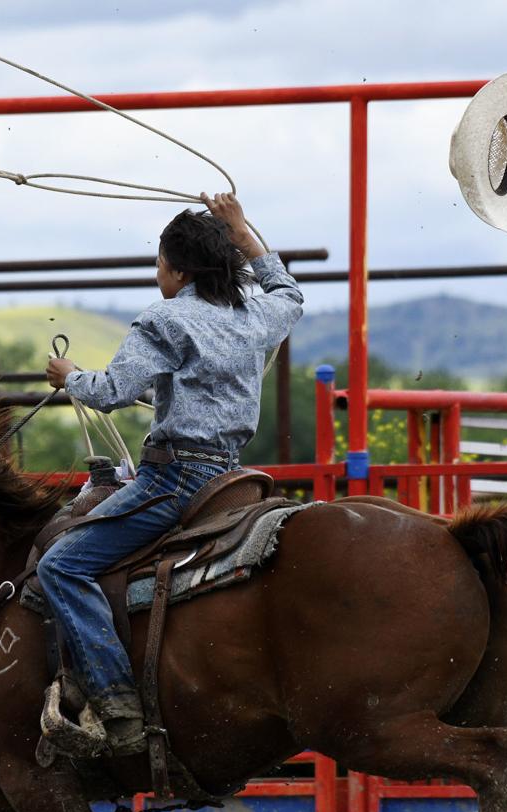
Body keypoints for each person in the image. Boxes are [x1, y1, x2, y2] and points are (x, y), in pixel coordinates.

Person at [38, 192, 304, 756]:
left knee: (61, 565)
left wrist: (69, 376)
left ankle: (116, 702)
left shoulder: (165, 320)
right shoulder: (252, 317)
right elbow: (289, 294)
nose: (158, 273)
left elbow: (111, 393)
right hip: (230, 476)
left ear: (178, 270)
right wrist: (242, 229)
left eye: (160, 263)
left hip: (173, 479)